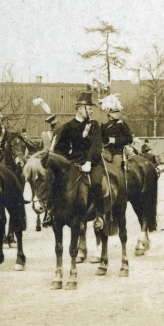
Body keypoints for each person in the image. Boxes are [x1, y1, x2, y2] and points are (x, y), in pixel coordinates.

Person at [52, 90, 105, 231]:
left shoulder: (94, 125)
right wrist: (64, 161)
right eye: (89, 108)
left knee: (97, 183)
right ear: (80, 109)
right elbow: (59, 149)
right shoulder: (68, 126)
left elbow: (96, 146)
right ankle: (50, 212)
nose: (92, 111)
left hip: (93, 162)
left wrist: (88, 162)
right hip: (73, 162)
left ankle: (99, 215)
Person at [100, 94, 134, 169]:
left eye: (118, 112)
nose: (117, 113)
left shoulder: (123, 125)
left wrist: (115, 140)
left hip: (118, 151)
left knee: (115, 168)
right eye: (114, 112)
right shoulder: (104, 126)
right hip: (106, 151)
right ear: (109, 113)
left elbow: (129, 139)